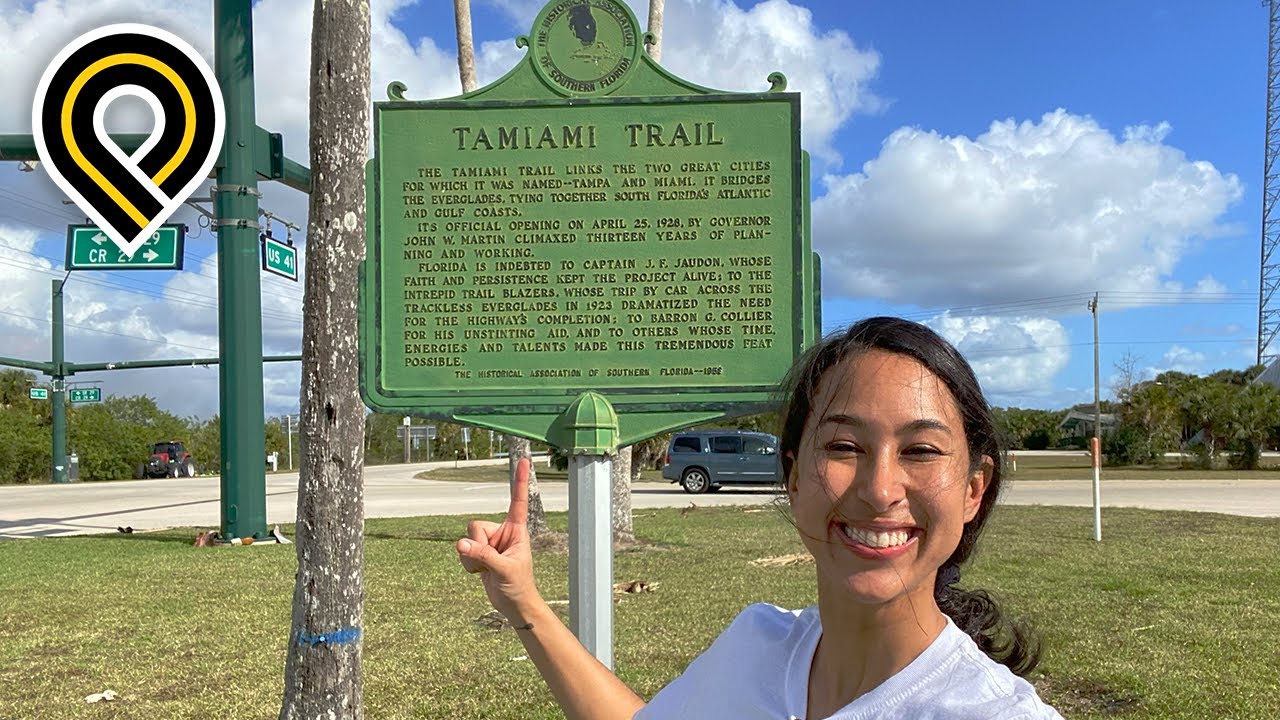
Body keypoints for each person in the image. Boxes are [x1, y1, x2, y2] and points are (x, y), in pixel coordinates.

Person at [457, 317, 1065, 719]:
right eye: (844, 446)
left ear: (973, 490)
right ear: (795, 477)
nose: (880, 489)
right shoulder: (758, 645)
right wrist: (525, 604)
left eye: (921, 451)